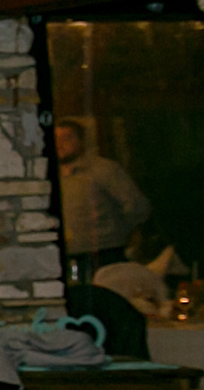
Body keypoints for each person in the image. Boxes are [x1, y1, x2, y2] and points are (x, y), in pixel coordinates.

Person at [54, 120, 149, 282]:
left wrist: (121, 234)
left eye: (67, 138)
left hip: (104, 253)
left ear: (81, 141)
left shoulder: (103, 170)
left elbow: (136, 207)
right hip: (68, 256)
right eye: (56, 139)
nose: (60, 144)